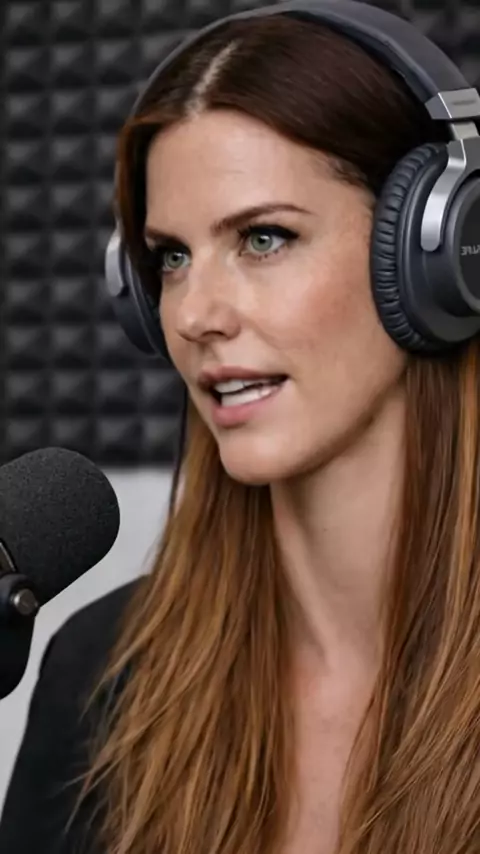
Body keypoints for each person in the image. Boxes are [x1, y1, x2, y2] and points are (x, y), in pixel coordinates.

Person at [1, 3, 480, 854]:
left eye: (263, 237)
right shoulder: (102, 671)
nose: (195, 315)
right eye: (172, 258)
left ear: (434, 254)